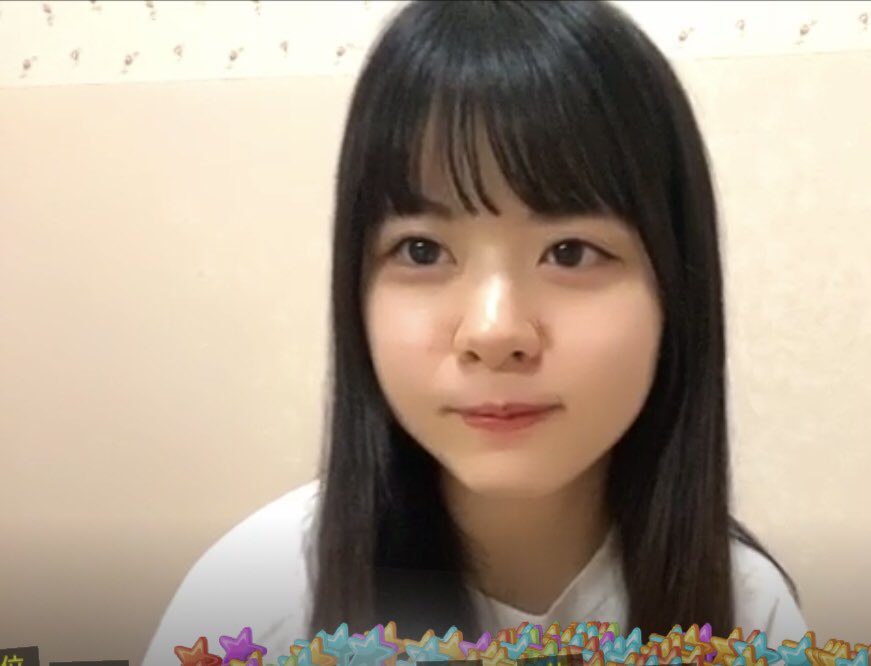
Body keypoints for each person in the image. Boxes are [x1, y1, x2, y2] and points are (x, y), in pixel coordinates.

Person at [143, 1, 807, 663]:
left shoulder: (750, 616)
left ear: (675, 294)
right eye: (423, 251)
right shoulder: (248, 609)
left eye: (570, 252)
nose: (494, 331)